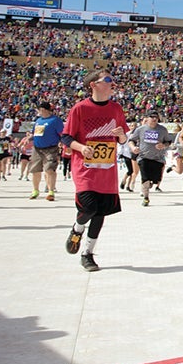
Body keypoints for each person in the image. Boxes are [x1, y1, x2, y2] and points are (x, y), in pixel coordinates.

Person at [62, 69, 128, 272]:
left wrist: (121, 135)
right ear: (93, 85)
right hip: (85, 168)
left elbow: (123, 139)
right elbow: (66, 137)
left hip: (107, 170)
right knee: (88, 207)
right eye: (107, 80)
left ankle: (87, 253)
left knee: (100, 212)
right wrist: (81, 147)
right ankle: (77, 229)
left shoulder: (116, 108)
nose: (111, 83)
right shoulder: (80, 108)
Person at [129, 111, 171, 207]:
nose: (154, 119)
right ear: (147, 118)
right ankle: (146, 198)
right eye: (152, 117)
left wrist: (163, 145)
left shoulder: (162, 130)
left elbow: (168, 141)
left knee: (156, 180)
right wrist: (133, 148)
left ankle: (149, 184)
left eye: (156, 117)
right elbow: (131, 140)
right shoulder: (141, 129)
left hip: (158, 159)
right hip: (143, 157)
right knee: (145, 179)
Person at [28, 101, 64, 201]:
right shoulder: (38, 121)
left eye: (39, 110)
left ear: (43, 110)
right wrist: (29, 138)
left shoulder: (55, 120)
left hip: (50, 148)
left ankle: (51, 191)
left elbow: (62, 133)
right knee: (35, 170)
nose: (38, 112)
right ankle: (35, 190)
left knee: (49, 169)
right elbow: (35, 133)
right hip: (37, 149)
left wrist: (63, 143)